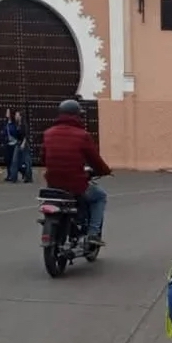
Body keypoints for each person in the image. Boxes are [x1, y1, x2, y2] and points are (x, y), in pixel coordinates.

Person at [42, 99, 111, 245]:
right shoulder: (82, 135)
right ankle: (93, 234)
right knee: (100, 196)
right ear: (77, 116)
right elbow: (95, 160)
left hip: (52, 185)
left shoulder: (48, 134)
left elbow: (43, 157)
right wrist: (104, 170)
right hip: (75, 185)